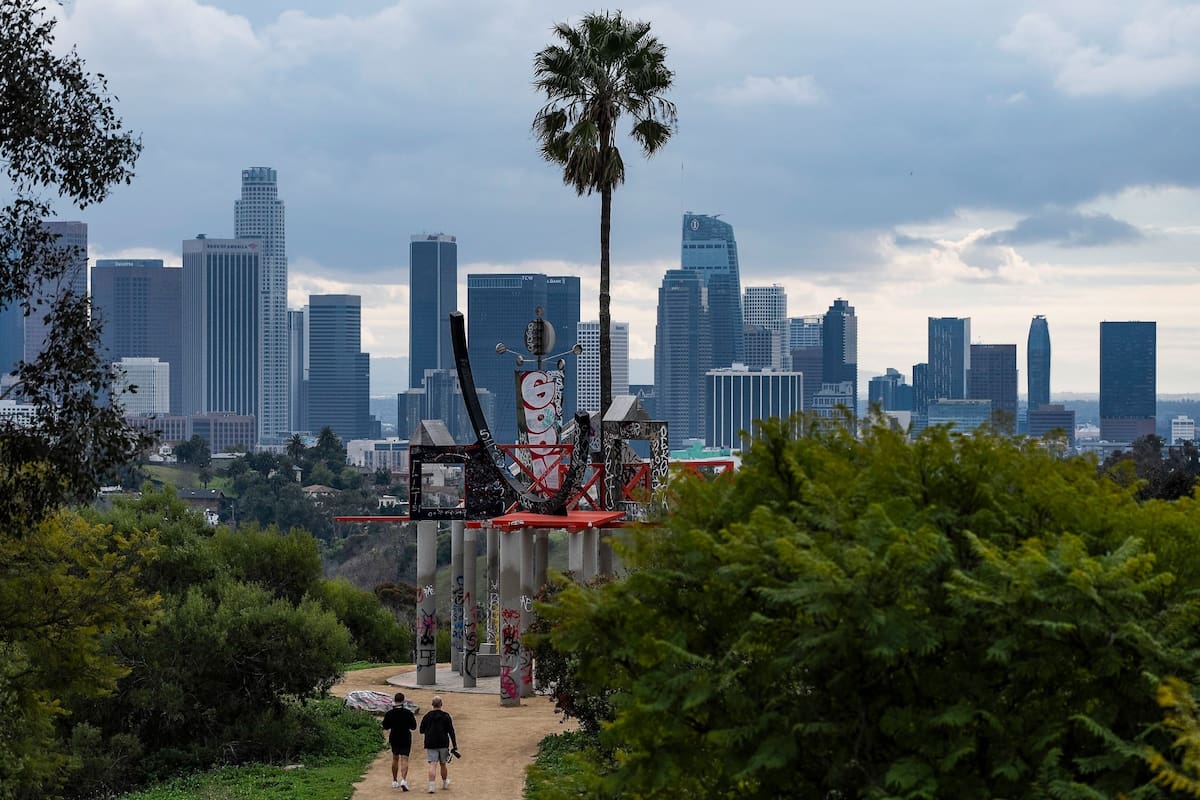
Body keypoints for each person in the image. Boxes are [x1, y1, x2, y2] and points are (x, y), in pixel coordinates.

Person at [419, 695, 458, 793]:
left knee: (433, 764)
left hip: (431, 743)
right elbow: (451, 731)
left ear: (432, 705)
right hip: (443, 743)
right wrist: (454, 745)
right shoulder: (446, 716)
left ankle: (431, 786)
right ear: (441, 704)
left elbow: (421, 730)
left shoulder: (427, 716)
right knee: (443, 764)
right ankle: (444, 783)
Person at [382, 692, 418, 791]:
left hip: (394, 736)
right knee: (405, 759)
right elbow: (413, 727)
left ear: (394, 700)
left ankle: (394, 780)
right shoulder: (408, 713)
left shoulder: (389, 713)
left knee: (395, 758)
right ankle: (404, 780)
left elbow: (385, 726)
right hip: (405, 737)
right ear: (403, 701)